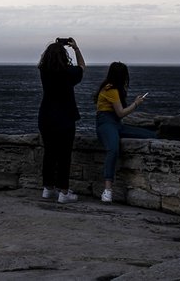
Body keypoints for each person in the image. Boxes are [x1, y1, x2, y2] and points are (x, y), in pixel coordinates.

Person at [95, 61, 156, 203]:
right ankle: (107, 190)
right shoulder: (110, 89)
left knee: (150, 135)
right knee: (113, 149)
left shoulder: (115, 89)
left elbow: (118, 116)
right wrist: (136, 104)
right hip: (105, 124)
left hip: (116, 124)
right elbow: (121, 112)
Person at [37, 37, 86, 203]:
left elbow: (48, 62)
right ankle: (63, 192)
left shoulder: (44, 70)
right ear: (64, 55)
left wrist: (57, 46)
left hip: (46, 116)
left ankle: (47, 188)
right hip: (64, 117)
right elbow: (82, 67)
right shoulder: (68, 73)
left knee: (49, 153)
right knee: (64, 156)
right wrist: (76, 49)